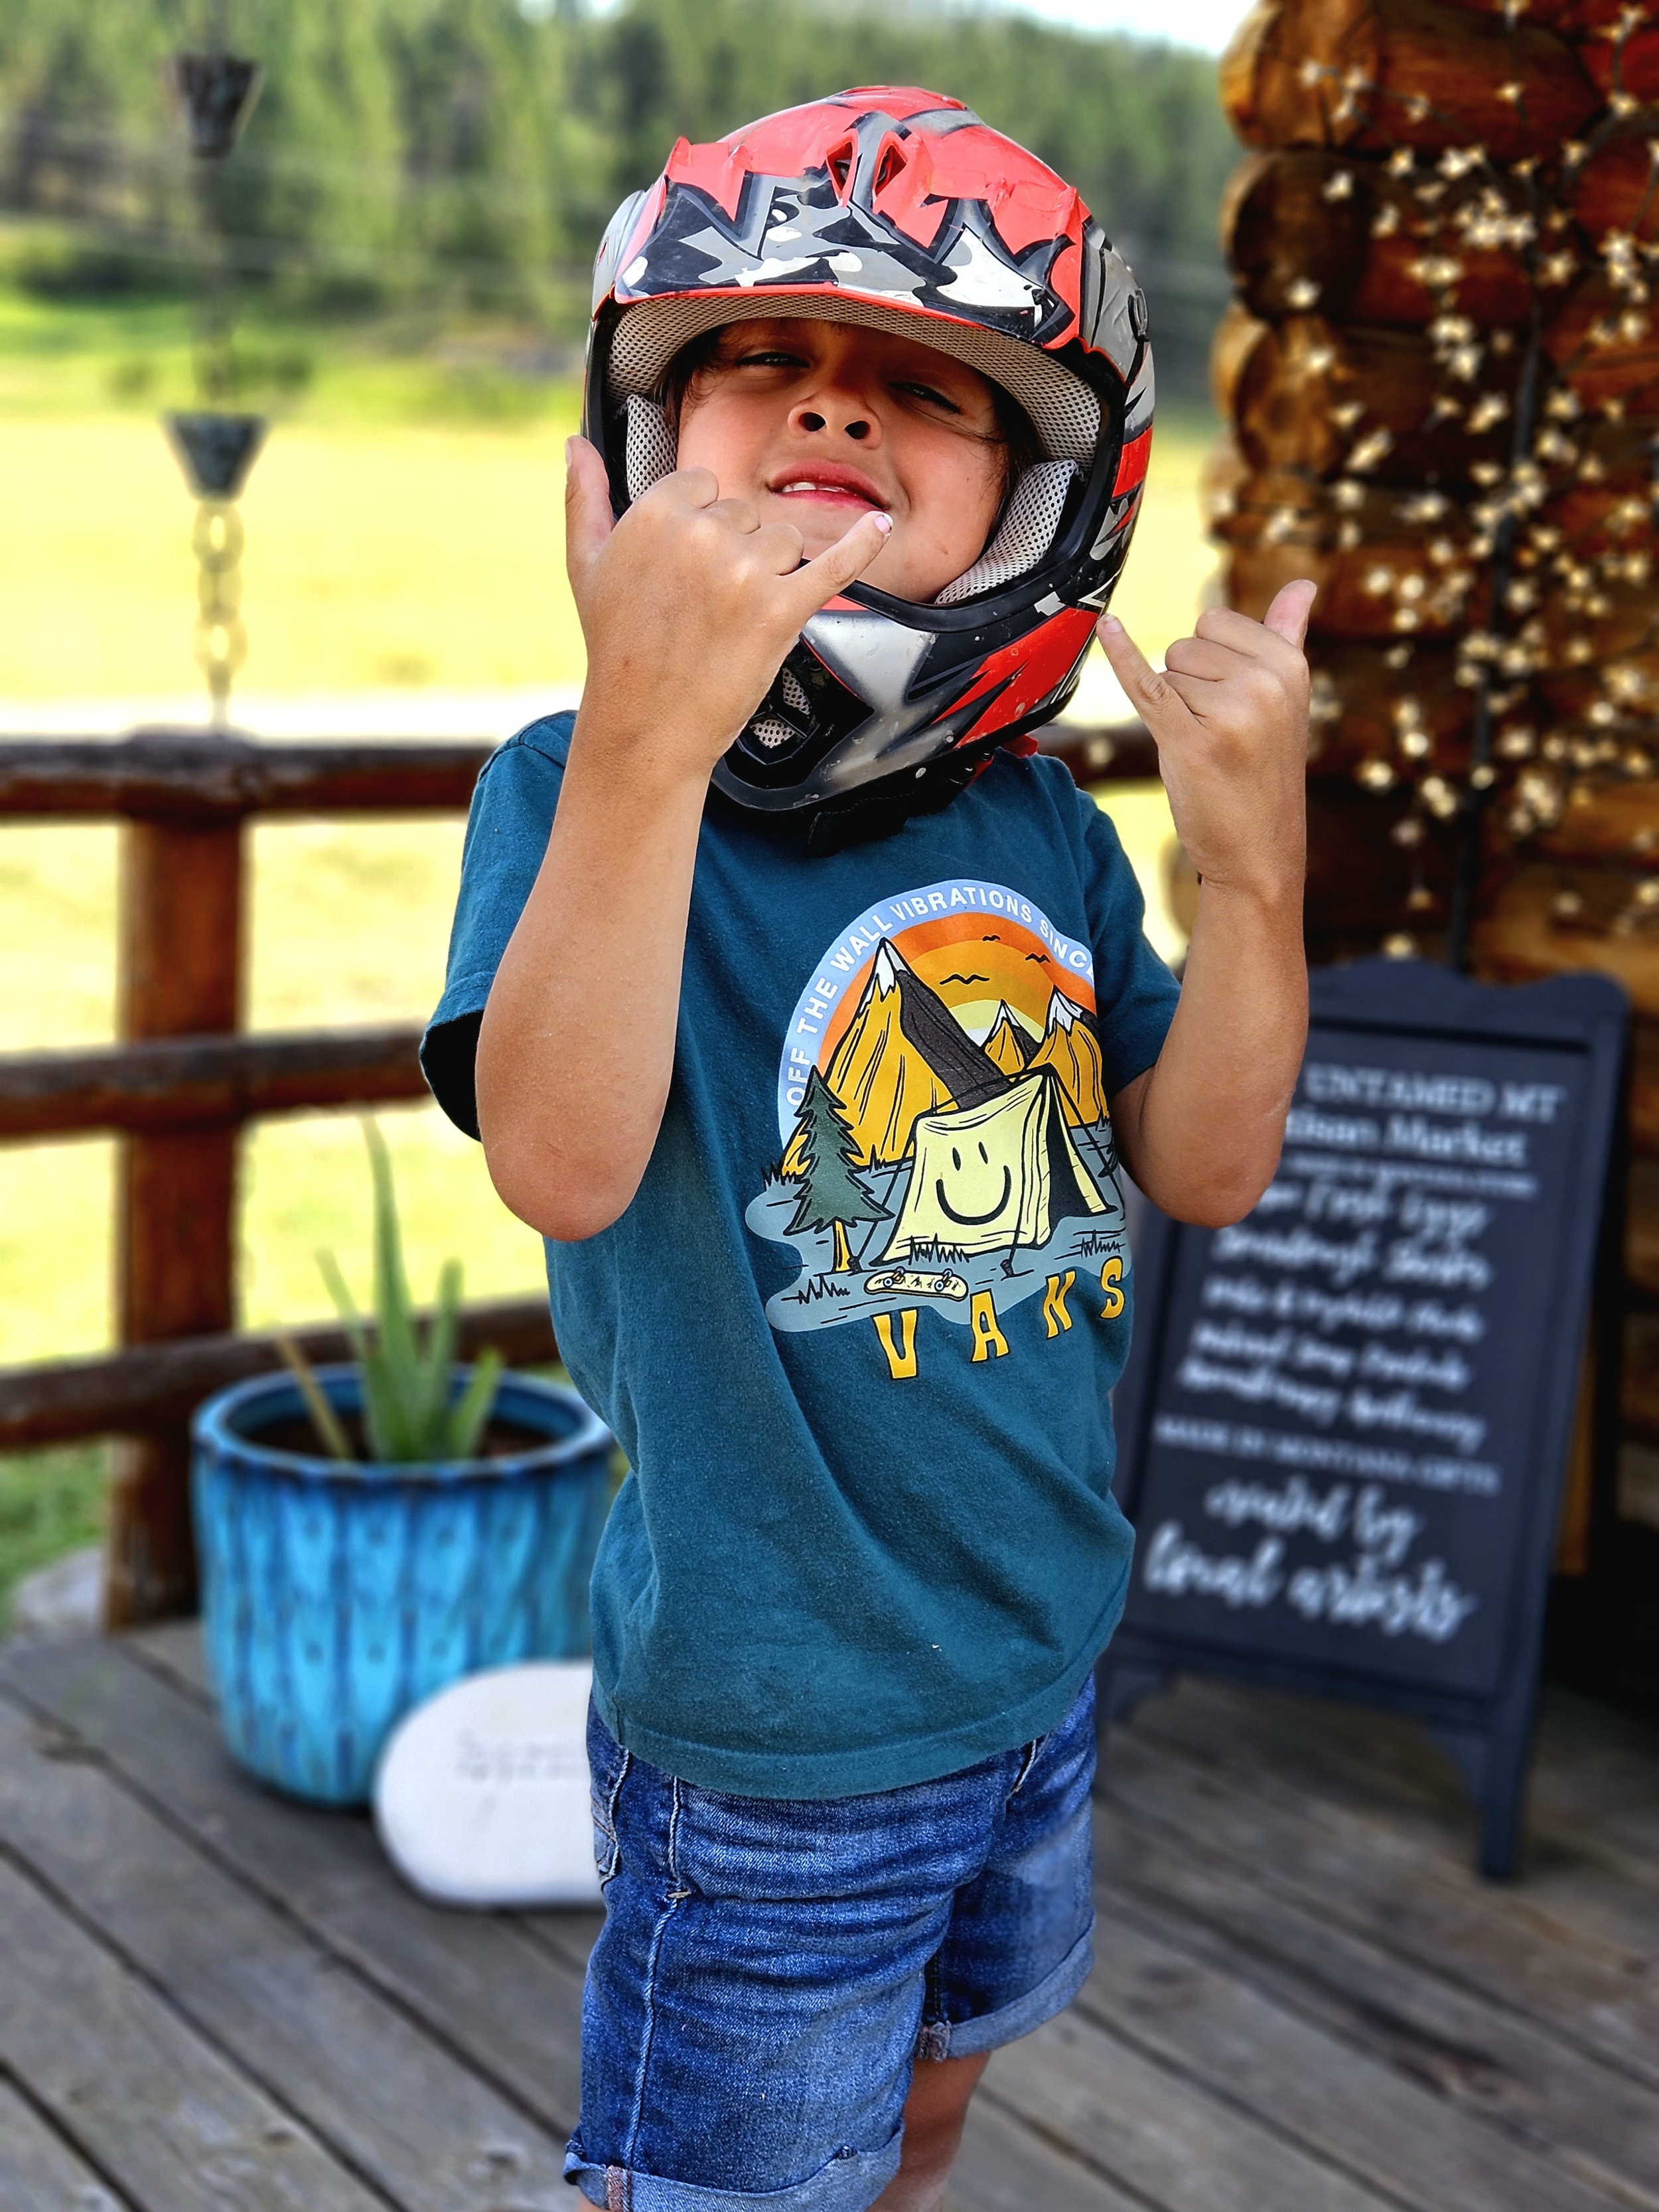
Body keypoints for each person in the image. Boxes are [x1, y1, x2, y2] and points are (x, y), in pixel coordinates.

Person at [423, 86, 1311, 2212]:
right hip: (769, 1744)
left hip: (1028, 1667)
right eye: (761, 362)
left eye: (926, 387)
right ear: (644, 445)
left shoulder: (1036, 832)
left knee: (926, 2101)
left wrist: (1253, 877)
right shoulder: (568, 789)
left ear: (1038, 500)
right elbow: (554, 1159)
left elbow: (1203, 1163)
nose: (834, 410)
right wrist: (646, 727)